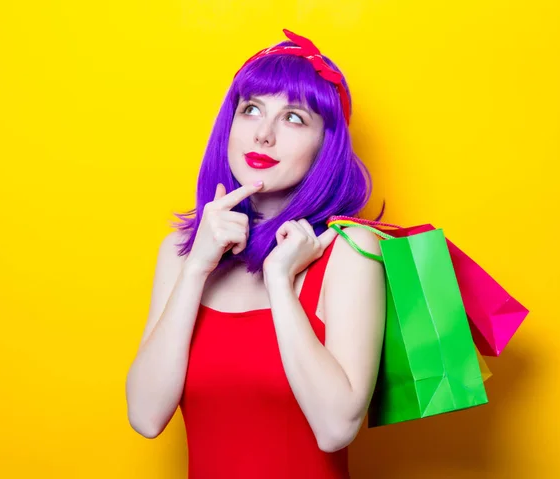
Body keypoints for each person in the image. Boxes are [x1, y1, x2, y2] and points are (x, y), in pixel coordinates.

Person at [125, 29, 387, 479]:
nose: (263, 134)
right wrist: (196, 269)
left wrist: (280, 284)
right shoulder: (181, 251)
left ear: (327, 145)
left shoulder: (349, 252)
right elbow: (145, 417)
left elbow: (335, 428)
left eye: (294, 118)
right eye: (251, 110)